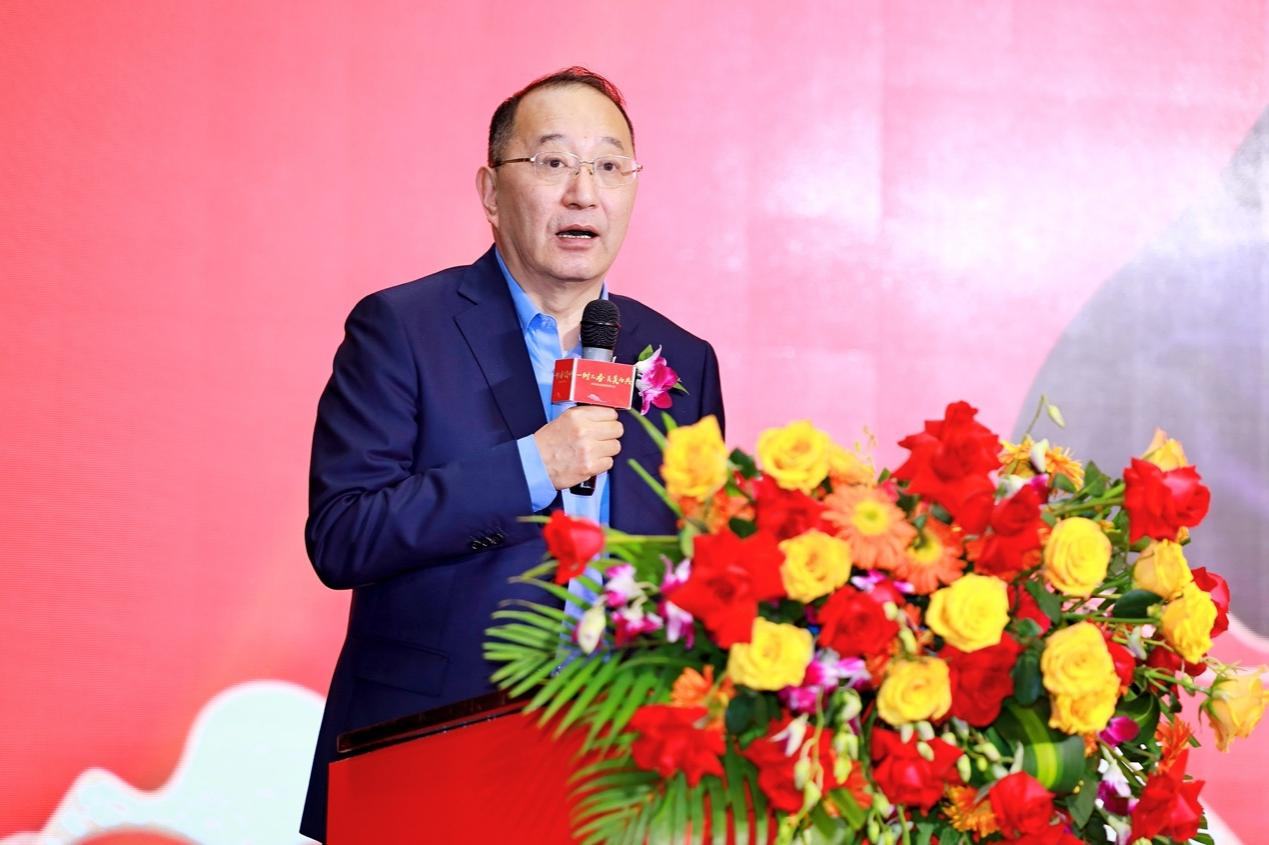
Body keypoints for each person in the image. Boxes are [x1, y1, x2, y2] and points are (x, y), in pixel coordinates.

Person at [299, 67, 725, 842]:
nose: (583, 192)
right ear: (491, 191)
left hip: (617, 779)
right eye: (553, 162)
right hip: (429, 756)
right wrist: (534, 465)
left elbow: (699, 568)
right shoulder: (402, 328)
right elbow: (342, 534)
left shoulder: (680, 360)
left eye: (609, 165)